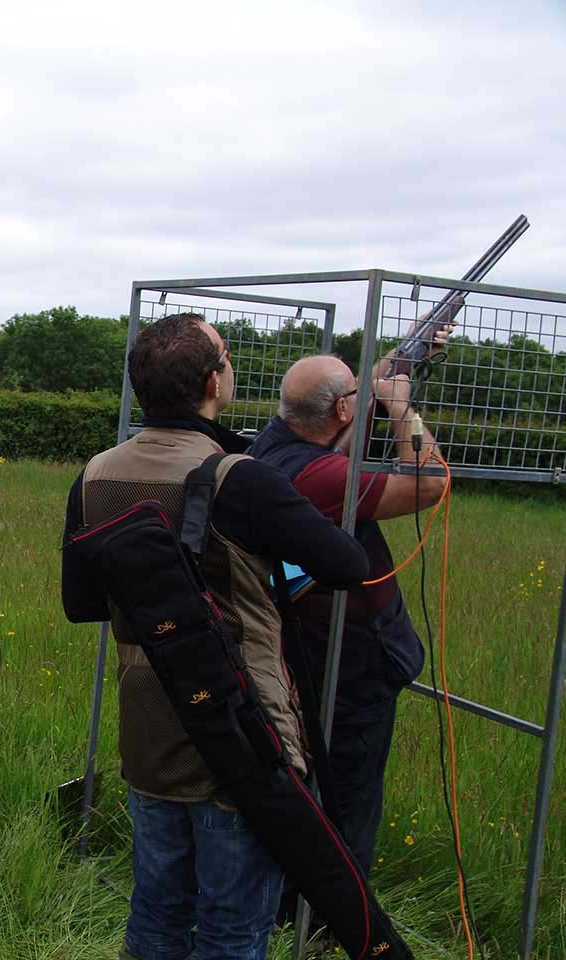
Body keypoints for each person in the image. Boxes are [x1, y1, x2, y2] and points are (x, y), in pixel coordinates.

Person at [60, 313, 369, 960]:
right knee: (231, 930)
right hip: (240, 728)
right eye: (226, 358)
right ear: (211, 382)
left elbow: (82, 603)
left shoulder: (93, 475)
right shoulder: (241, 477)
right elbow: (348, 565)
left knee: (155, 916)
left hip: (148, 725)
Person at [249, 343, 449, 881]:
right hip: (348, 661)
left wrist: (408, 350)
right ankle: (333, 922)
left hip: (302, 649)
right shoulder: (320, 476)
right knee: (348, 800)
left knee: (311, 784)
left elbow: (343, 411)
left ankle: (298, 911)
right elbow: (430, 481)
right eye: (357, 399)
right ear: (341, 411)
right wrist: (401, 405)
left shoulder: (272, 446)